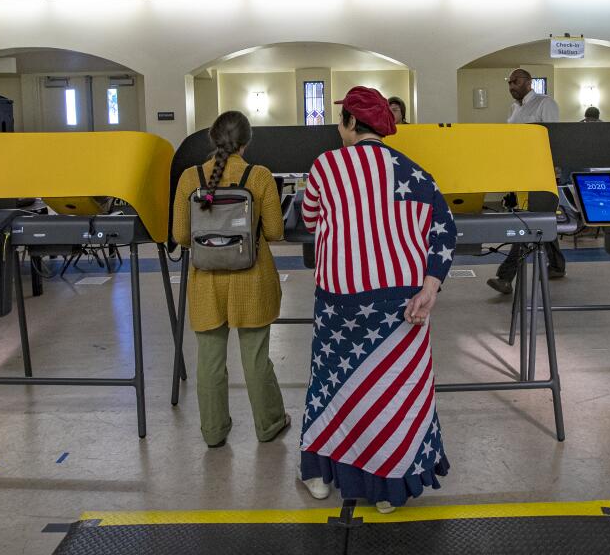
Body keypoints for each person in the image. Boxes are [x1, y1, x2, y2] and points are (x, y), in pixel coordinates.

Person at [297, 86, 457, 512]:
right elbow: (445, 230)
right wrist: (431, 286)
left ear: (350, 122)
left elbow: (309, 218)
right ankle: (387, 489)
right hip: (400, 303)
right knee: (394, 392)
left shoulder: (327, 165)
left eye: (340, 119)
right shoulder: (416, 172)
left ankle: (319, 473)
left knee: (332, 389)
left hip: (339, 302)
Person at [171, 110, 289, 448]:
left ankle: (213, 433)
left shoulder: (189, 178)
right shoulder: (259, 175)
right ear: (247, 142)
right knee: (255, 357)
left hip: (206, 280)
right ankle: (269, 425)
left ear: (211, 138)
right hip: (251, 279)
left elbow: (180, 235)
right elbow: (277, 232)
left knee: (209, 360)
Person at [487, 69, 566, 294]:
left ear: (529, 82)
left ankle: (505, 276)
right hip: (522, 173)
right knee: (540, 219)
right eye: (509, 82)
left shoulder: (545, 103)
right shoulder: (514, 109)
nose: (512, 85)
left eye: (516, 81)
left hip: (543, 174)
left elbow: (554, 139)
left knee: (527, 223)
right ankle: (558, 266)